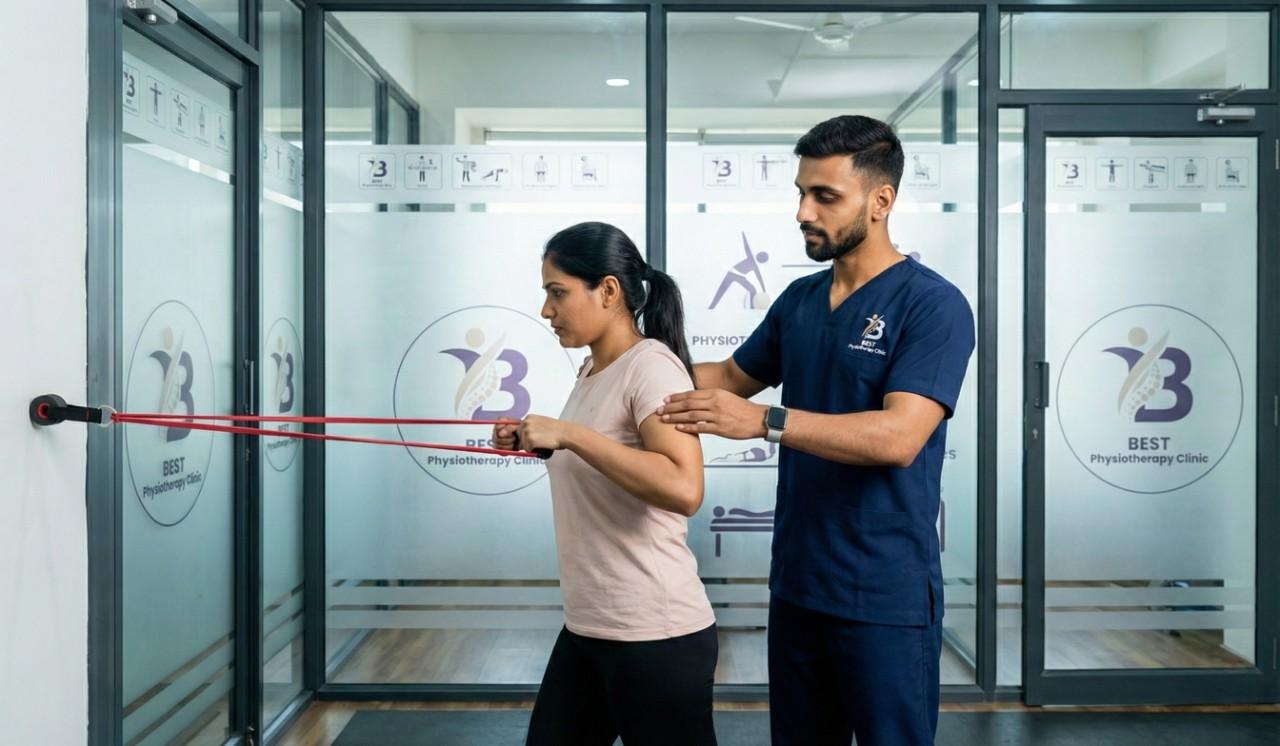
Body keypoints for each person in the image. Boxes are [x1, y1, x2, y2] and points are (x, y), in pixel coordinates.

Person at [659, 115, 975, 745]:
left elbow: (898, 437)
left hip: (885, 595)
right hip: (800, 586)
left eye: (825, 196)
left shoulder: (933, 305)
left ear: (881, 201)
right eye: (801, 193)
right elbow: (727, 376)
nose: (803, 211)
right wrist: (627, 368)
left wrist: (765, 422)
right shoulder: (799, 301)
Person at [493, 221, 718, 746]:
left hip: (654, 633)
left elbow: (684, 487)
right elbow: (608, 462)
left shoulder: (652, 367)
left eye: (558, 293)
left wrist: (570, 435)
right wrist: (543, 442)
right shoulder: (594, 368)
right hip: (591, 625)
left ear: (609, 291)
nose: (547, 310)